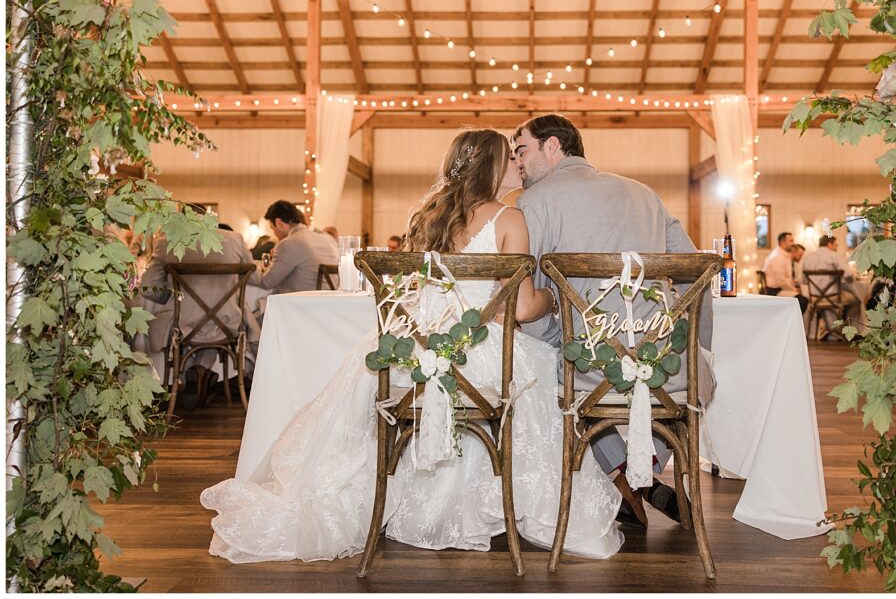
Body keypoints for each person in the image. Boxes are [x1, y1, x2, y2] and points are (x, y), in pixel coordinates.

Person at [200, 129, 623, 564]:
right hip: (474, 354)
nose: (518, 163)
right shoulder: (510, 220)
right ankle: (498, 503)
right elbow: (518, 309)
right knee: (538, 374)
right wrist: (554, 295)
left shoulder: (429, 217)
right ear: (492, 168)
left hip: (418, 355)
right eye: (509, 158)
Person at [511, 113, 713, 529]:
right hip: (665, 361)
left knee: (544, 371)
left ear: (553, 147)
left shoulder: (534, 202)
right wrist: (697, 347)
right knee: (691, 378)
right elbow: (697, 270)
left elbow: (527, 301)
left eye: (522, 151)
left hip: (590, 365)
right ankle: (644, 471)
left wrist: (554, 337)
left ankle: (624, 474)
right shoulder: (643, 194)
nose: (517, 164)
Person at [140, 204, 261, 408]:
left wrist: (173, 299)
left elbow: (147, 289)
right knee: (213, 327)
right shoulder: (234, 239)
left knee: (190, 330)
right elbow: (255, 275)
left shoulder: (165, 242)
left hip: (181, 321)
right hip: (228, 321)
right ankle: (200, 370)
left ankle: (187, 373)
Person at [249, 200, 340, 294]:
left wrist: (244, 272)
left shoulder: (288, 244)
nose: (274, 234)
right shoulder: (328, 239)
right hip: (331, 303)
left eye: (272, 228)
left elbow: (266, 282)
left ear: (279, 223)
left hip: (299, 305)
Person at [801, 235, 861, 335]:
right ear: (829, 244)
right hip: (833, 296)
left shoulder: (808, 257)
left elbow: (803, 281)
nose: (836, 248)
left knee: (846, 298)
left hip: (815, 298)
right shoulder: (835, 256)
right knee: (856, 301)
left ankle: (830, 329)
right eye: (835, 245)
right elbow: (848, 276)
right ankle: (845, 330)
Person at [762, 232, 808, 313]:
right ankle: (790, 323)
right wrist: (794, 289)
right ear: (782, 242)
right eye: (790, 241)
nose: (793, 244)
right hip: (774, 291)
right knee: (802, 300)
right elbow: (781, 282)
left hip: (780, 289)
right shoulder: (778, 257)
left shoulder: (783, 255)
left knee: (802, 298)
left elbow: (786, 278)